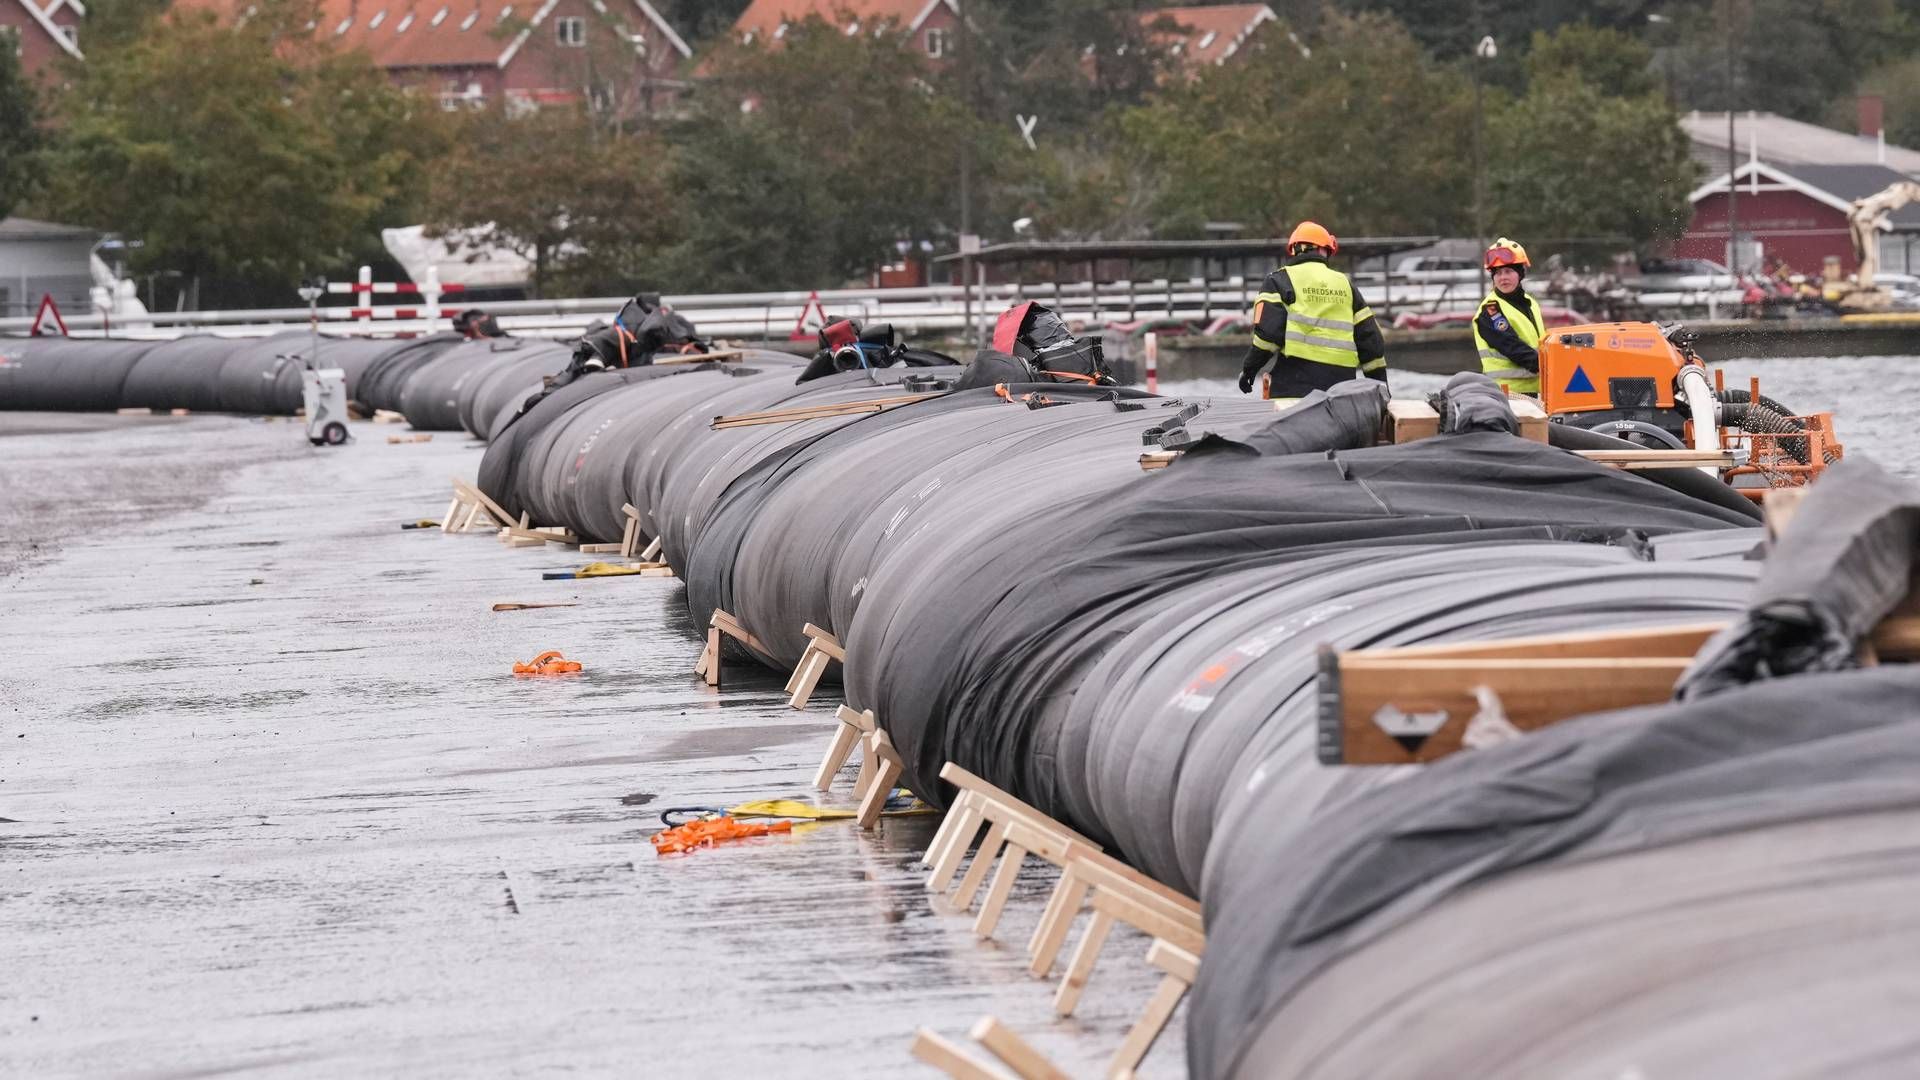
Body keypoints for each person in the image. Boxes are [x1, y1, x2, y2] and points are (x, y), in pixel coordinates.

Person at [1238, 221, 1388, 399]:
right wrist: (1382, 390)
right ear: (1324, 250)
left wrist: (1249, 371)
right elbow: (1372, 346)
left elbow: (1267, 337)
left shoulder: (1279, 280)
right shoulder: (1346, 285)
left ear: (1294, 250)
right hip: (1341, 394)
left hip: (1293, 391)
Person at [1473, 238, 1545, 395]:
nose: (1503, 277)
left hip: (1537, 390)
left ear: (1520, 274)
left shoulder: (1531, 303)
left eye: (1508, 271)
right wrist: (1551, 365)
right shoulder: (1490, 310)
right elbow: (1512, 346)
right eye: (1497, 273)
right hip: (1507, 395)